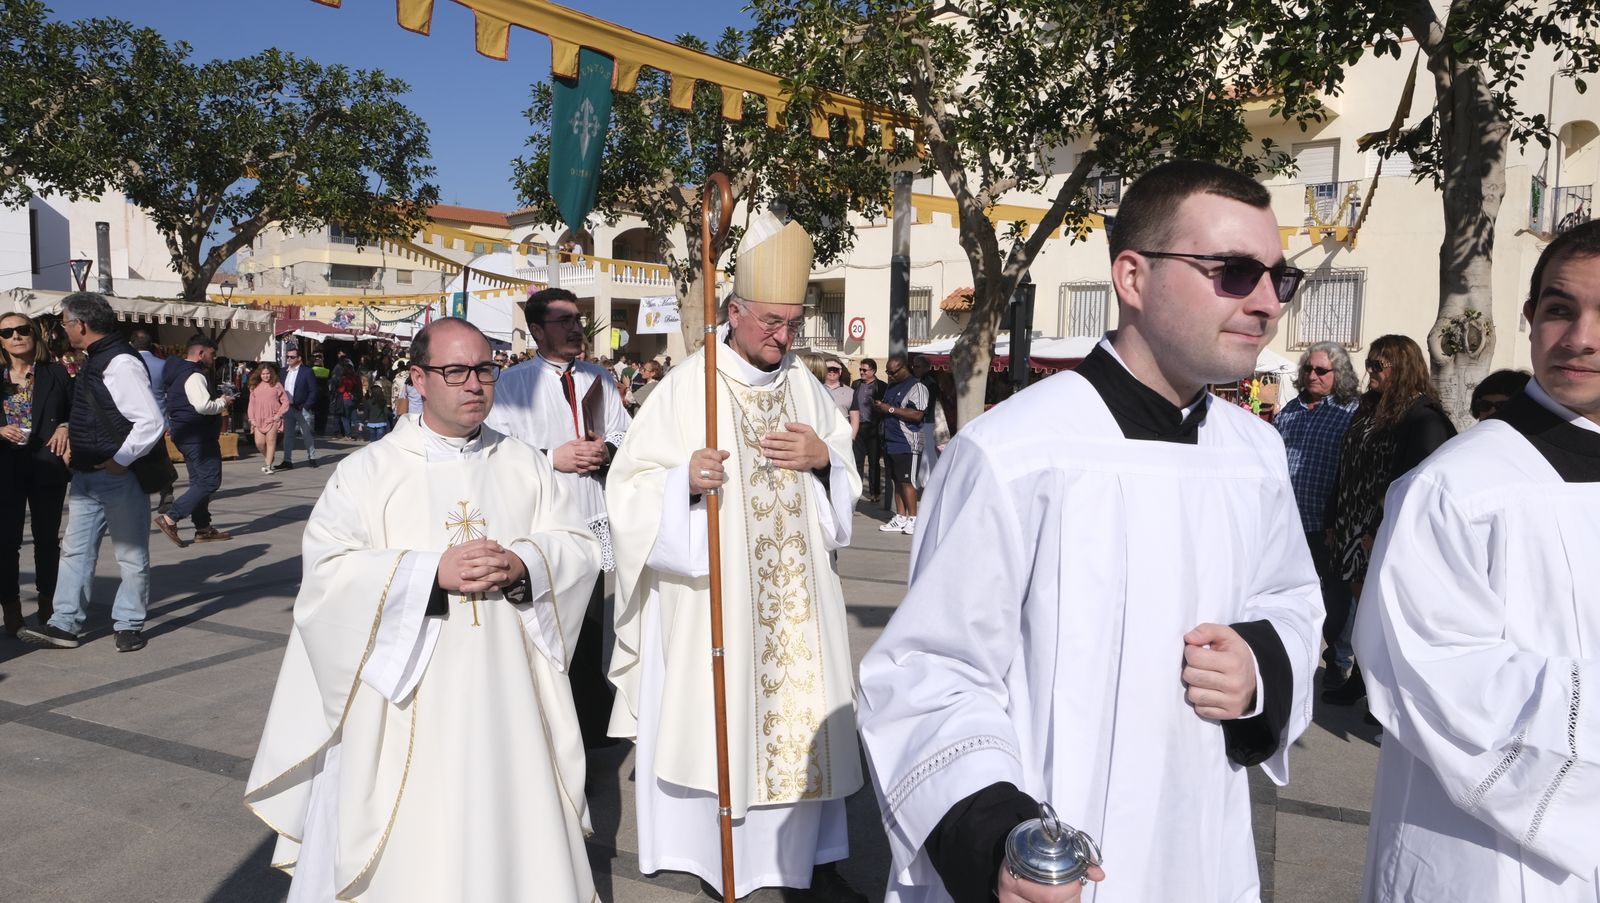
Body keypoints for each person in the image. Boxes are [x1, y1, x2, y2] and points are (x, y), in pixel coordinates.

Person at [857, 161, 1325, 903]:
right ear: (1132, 277)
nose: (1267, 302)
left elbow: (1293, 601)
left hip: (1201, 846)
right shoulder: (1013, 452)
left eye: (1279, 277)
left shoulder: (1256, 452)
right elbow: (930, 673)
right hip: (1055, 859)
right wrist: (997, 835)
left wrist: (1262, 662)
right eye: (1235, 271)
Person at [244, 318, 602, 902]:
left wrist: (524, 563)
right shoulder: (368, 472)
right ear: (417, 378)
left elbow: (581, 546)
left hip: (509, 700)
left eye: (485, 369)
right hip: (406, 704)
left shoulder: (525, 464)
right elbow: (327, 577)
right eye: (455, 371)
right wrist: (428, 573)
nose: (474, 384)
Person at [607, 211, 866, 901]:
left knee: (796, 724)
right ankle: (713, 857)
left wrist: (823, 462)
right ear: (733, 309)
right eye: (770, 323)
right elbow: (626, 491)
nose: (784, 337)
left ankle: (802, 859)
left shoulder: (803, 384)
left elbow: (843, 467)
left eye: (793, 322)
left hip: (798, 610)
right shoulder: (688, 386)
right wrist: (680, 484)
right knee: (718, 732)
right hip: (712, 610)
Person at [1353, 220, 1600, 902]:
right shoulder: (1456, 486)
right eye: (1559, 309)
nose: (1581, 338)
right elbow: (1437, 682)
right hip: (1481, 859)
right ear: (1528, 317)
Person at [486, 287, 631, 750]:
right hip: (543, 524)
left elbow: (626, 436)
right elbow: (497, 451)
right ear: (537, 329)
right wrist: (553, 457)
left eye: (578, 319)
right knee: (551, 622)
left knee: (594, 621)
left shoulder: (599, 379)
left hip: (594, 516)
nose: (575, 328)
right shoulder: (513, 384)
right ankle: (548, 724)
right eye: (564, 320)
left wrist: (605, 451)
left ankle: (591, 717)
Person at [18, 293, 164, 653]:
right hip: (87, 476)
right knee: (76, 552)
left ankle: (128, 623)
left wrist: (121, 460)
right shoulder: (99, 359)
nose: (64, 330)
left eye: (65, 323)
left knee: (130, 554)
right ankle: (64, 624)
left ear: (80, 325)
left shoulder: (119, 363)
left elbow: (151, 421)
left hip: (116, 476)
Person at [1323, 333, 1456, 707]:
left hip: (1379, 528)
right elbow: (1347, 463)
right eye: (1370, 363)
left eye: (1377, 365)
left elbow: (1415, 480)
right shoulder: (1372, 408)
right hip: (1352, 523)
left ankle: (1389, 689)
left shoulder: (1422, 416)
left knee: (1384, 613)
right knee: (1364, 608)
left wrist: (1379, 523)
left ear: (1402, 368)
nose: (1370, 371)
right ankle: (1364, 678)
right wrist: (1334, 514)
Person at [1273, 341, 1360, 689]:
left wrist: (1339, 521)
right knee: (1286, 594)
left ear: (1338, 374)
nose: (1312, 375)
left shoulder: (1349, 413)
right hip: (1286, 524)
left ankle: (1339, 662)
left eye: (1321, 370)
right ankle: (1289, 654)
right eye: (1308, 369)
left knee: (1336, 598)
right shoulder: (1290, 411)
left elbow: (1354, 472)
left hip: (1327, 526)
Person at [1, 313, 71, 635]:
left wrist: (66, 426)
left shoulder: (54, 373)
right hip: (5, 468)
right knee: (5, 542)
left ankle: (48, 604)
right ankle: (11, 611)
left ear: (34, 334)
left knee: (46, 540)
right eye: (6, 332)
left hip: (47, 463)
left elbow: (76, 410)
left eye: (22, 329)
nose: (15, 336)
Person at [155, 335, 233, 545]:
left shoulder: (177, 372)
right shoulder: (194, 375)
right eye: (212, 353)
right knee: (209, 481)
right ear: (201, 352)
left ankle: (203, 528)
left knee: (199, 482)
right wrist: (222, 402)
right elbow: (202, 406)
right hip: (198, 435)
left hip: (187, 434)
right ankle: (171, 518)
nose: (213, 358)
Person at [875, 354, 928, 535]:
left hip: (908, 441)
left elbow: (917, 414)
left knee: (907, 481)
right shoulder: (892, 385)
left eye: (892, 372)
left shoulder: (918, 387)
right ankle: (901, 517)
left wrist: (888, 409)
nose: (889, 376)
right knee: (896, 480)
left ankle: (913, 518)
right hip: (891, 439)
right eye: (887, 372)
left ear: (904, 368)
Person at [129, 328, 175, 513]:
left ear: (131, 344)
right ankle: (166, 492)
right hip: (158, 420)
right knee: (160, 457)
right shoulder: (163, 365)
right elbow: (169, 395)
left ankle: (137, 495)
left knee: (134, 458)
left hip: (131, 420)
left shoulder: (127, 365)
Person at [852, 358, 887, 502]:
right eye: (860, 369)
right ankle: (857, 491)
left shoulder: (881, 386)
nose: (861, 372)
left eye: (864, 370)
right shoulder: (855, 384)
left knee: (874, 462)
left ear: (873, 371)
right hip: (858, 427)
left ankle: (875, 493)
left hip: (873, 428)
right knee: (857, 462)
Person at [280, 345, 319, 469]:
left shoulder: (307, 371)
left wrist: (307, 406)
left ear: (299, 358)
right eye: (288, 357)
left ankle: (312, 457)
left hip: (302, 408)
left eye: (292, 357)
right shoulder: (283, 371)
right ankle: (287, 460)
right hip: (288, 408)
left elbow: (314, 391)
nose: (289, 359)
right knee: (288, 435)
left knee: (306, 433)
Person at [248, 362, 289, 475]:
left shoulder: (277, 385)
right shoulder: (254, 386)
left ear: (271, 374)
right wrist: (252, 419)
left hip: (272, 418)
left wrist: (278, 415)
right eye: (263, 374)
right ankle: (269, 457)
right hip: (258, 419)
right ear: (259, 375)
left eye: (267, 373)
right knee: (259, 443)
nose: (266, 376)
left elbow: (285, 401)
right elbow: (251, 404)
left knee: (271, 442)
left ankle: (268, 465)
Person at [822, 358, 858, 440]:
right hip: (822, 435)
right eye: (829, 369)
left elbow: (855, 418)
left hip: (843, 436)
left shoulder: (850, 392)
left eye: (835, 369)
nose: (832, 372)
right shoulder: (816, 388)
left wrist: (852, 438)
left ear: (840, 372)